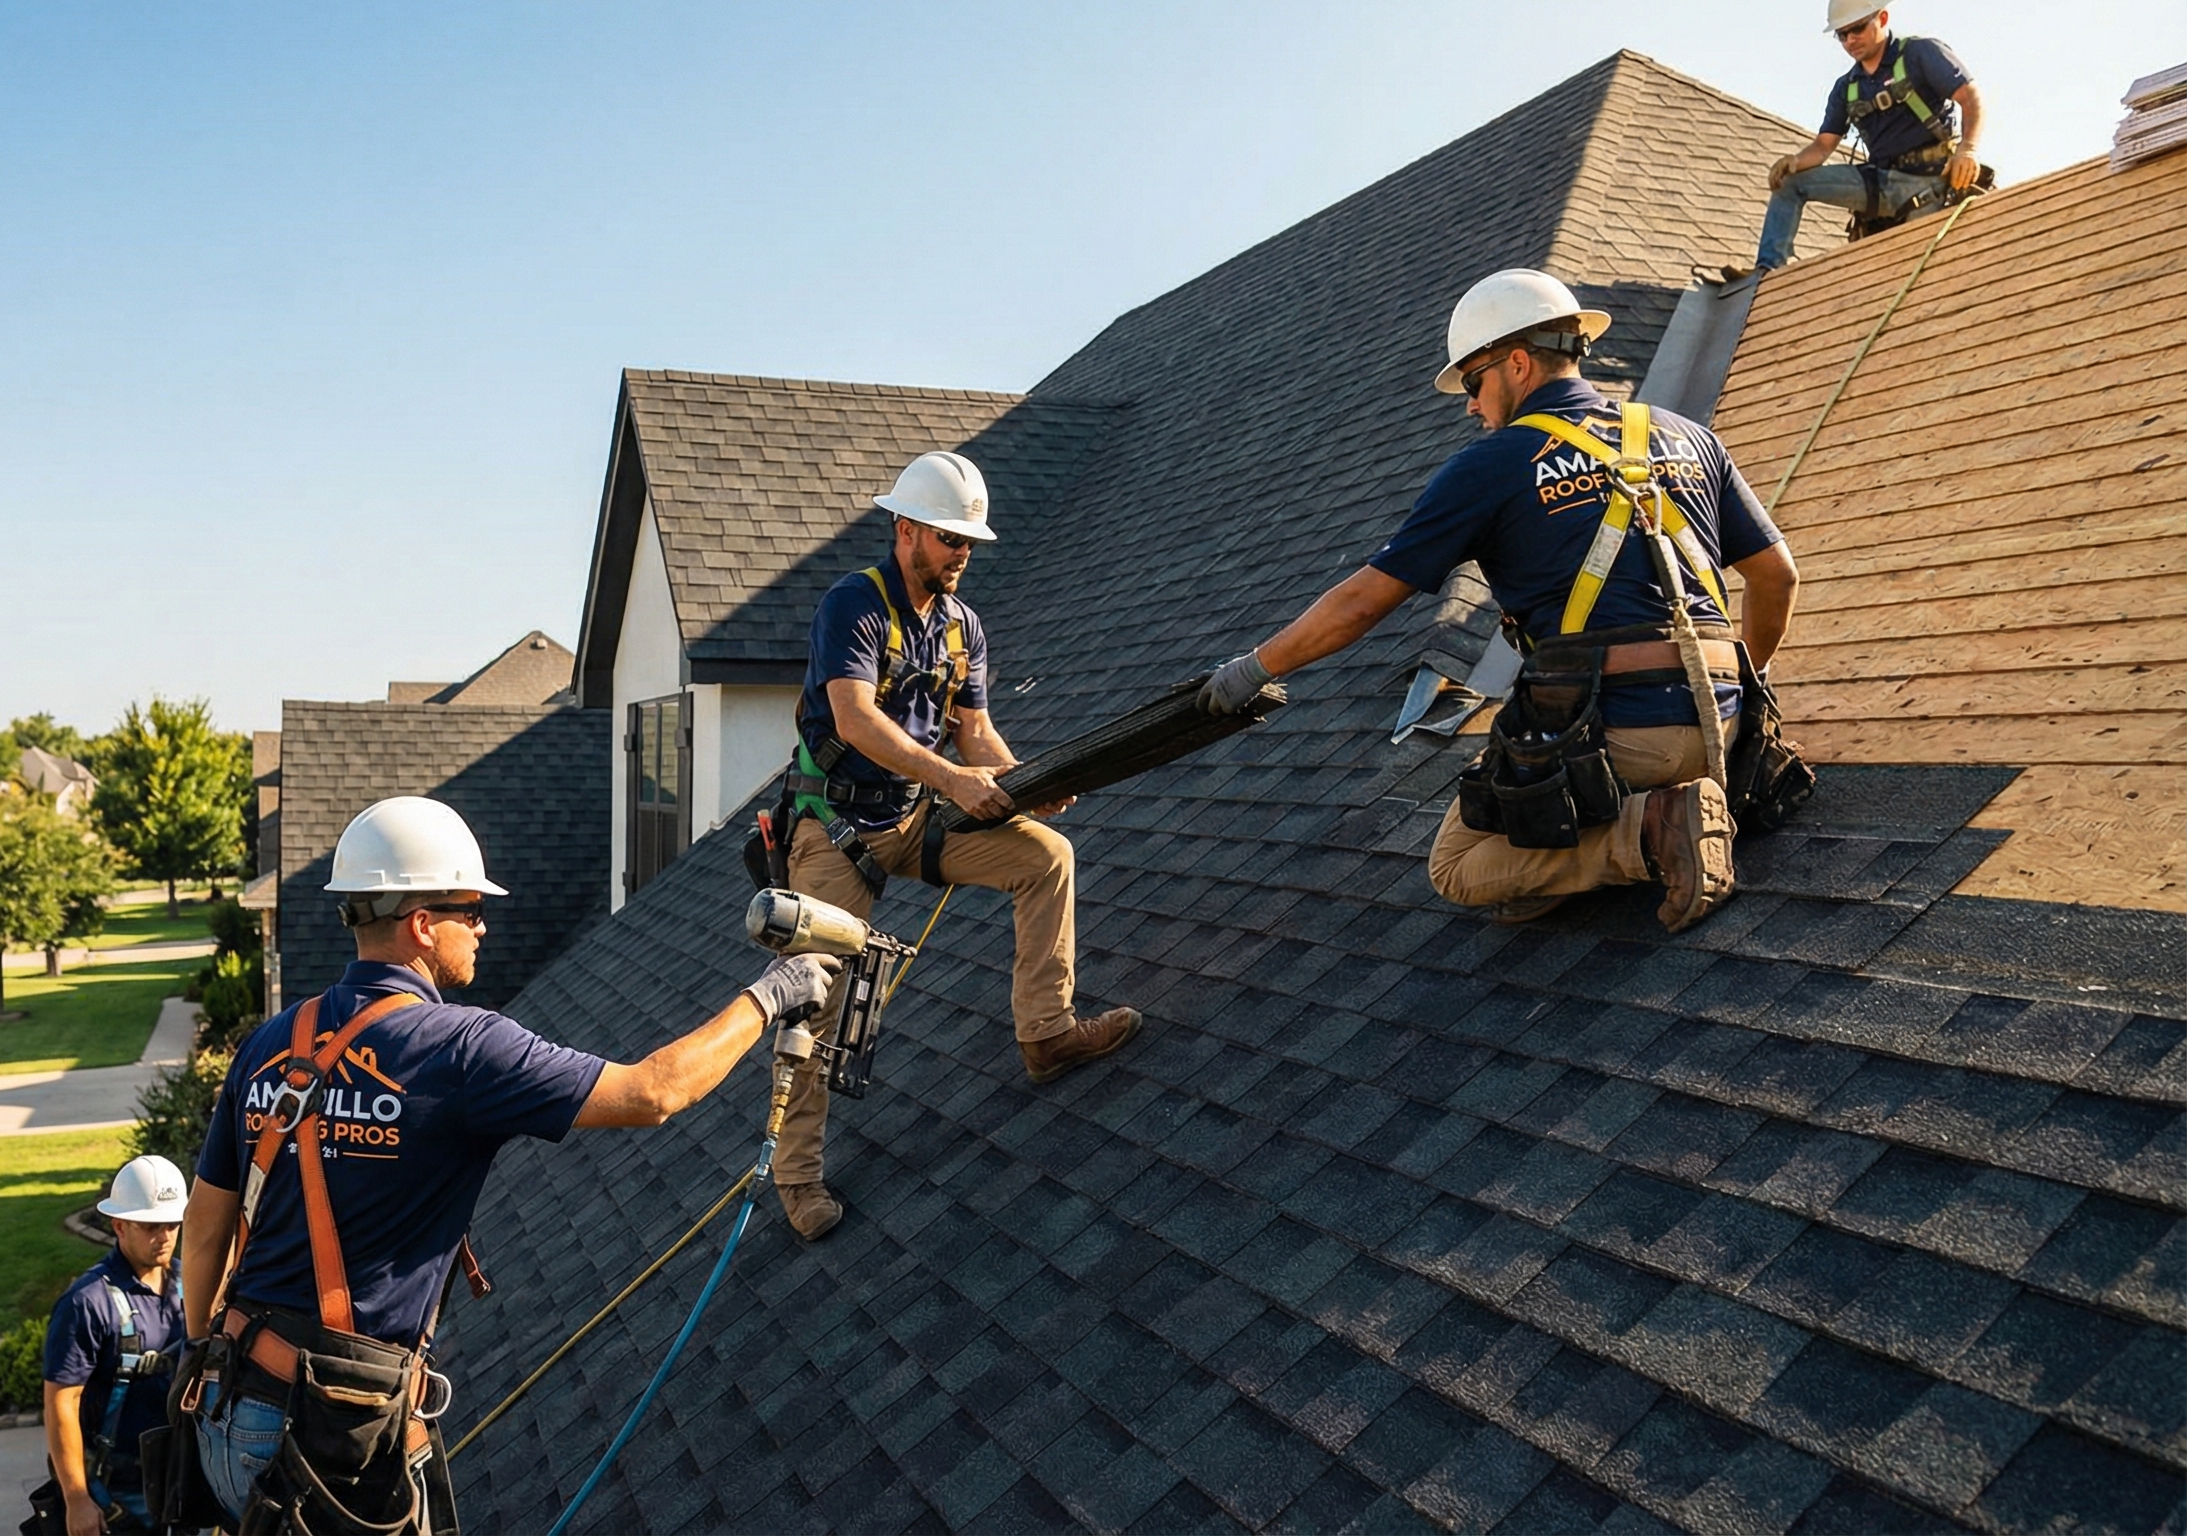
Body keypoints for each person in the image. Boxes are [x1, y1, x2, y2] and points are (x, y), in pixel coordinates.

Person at [177, 796, 838, 1535]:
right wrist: (769, 995)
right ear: (422, 924)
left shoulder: (272, 1041)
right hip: (330, 1439)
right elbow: (653, 1092)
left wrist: (207, 1348)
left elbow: (204, 1231)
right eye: (470, 908)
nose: (485, 925)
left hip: (230, 1416)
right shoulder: (460, 1047)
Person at [1201, 268, 1800, 933]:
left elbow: (1364, 601)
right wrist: (1747, 685)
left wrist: (1253, 670)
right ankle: (1672, 810)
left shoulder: (1490, 465)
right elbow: (1778, 577)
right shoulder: (1690, 436)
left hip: (1621, 736)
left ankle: (1653, 832)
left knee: (1459, 865)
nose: (1468, 403)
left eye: (1472, 380)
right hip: (1725, 724)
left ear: (1517, 364)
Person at [769, 449, 1140, 1243]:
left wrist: (1022, 778)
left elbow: (975, 733)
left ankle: (1047, 1032)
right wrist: (954, 781)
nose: (963, 554)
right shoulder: (854, 607)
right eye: (949, 539)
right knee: (818, 991)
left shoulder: (962, 626)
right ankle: (796, 1177)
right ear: (905, 530)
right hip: (836, 829)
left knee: (1046, 856)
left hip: (914, 819)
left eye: (969, 542)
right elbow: (854, 721)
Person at [1752, 4, 1984, 272]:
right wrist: (1793, 161)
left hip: (1928, 183)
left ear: (1882, 18)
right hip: (1879, 183)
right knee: (1790, 184)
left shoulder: (1919, 54)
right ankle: (1766, 273)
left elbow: (1971, 98)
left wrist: (1968, 149)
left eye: (1858, 28)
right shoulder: (1847, 87)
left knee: (1921, 272)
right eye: (1842, 34)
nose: (1850, 40)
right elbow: (1823, 146)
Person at [34, 1154, 192, 1536]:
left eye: (172, 1223)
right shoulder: (87, 1303)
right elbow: (61, 1402)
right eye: (151, 1225)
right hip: (118, 1493)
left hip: (183, 1479)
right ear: (119, 1225)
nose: (165, 1236)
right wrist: (76, 1499)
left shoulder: (189, 1284)